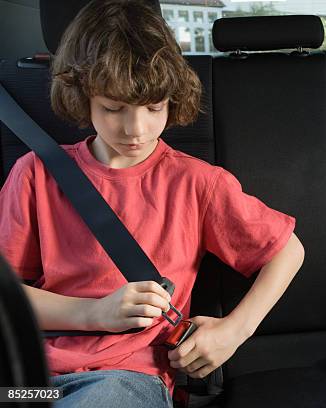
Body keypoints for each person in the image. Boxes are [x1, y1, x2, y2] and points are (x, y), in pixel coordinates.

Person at [0, 0, 304, 406]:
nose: (135, 129)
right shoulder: (35, 174)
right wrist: (94, 314)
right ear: (82, 96)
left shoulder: (197, 183)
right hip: (27, 381)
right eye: (113, 108)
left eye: (154, 107)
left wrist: (233, 331)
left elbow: (288, 251)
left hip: (119, 379)